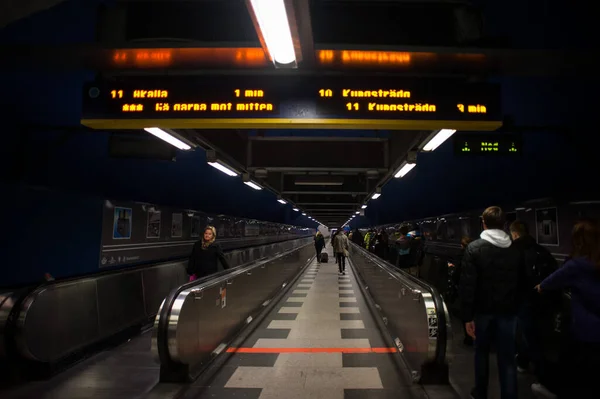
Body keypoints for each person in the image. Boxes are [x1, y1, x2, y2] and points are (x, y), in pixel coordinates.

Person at [460, 206, 522, 399]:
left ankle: (480, 392)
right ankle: (509, 395)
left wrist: (467, 317)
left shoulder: (474, 249)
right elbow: (522, 281)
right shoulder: (515, 249)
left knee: (481, 353)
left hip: (483, 311)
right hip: (509, 311)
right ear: (504, 224)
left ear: (484, 223)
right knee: (507, 357)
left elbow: (468, 286)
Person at [535, 219, 600, 399]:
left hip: (585, 331)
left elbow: (547, 284)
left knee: (576, 373)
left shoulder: (576, 265)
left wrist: (539, 288)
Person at [509, 220, 557, 389]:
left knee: (531, 339)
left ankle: (545, 381)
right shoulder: (541, 250)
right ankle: (522, 361)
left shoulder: (514, 251)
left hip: (523, 300)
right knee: (533, 335)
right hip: (543, 301)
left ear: (514, 234)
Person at [448, 236, 473, 346]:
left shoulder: (460, 256)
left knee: (466, 312)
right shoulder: (476, 255)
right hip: (475, 287)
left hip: (464, 287)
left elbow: (456, 273)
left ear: (462, 245)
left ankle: (468, 337)